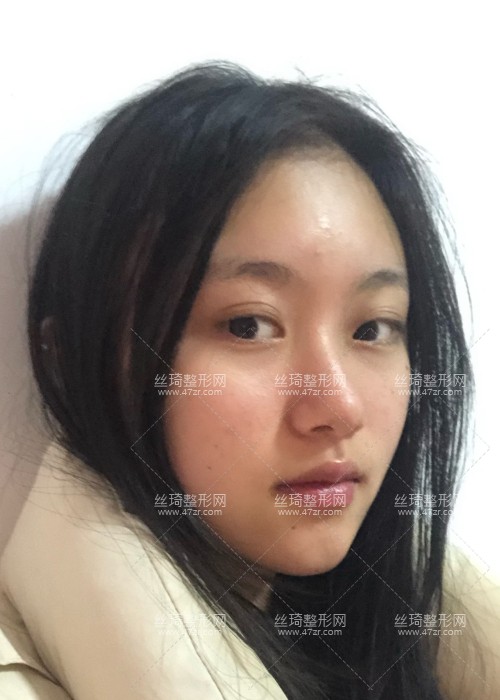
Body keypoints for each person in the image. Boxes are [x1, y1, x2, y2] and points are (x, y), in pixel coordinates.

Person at [0, 59, 498, 699]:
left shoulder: (406, 618)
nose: (339, 407)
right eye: (248, 326)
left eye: (373, 328)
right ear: (70, 359)